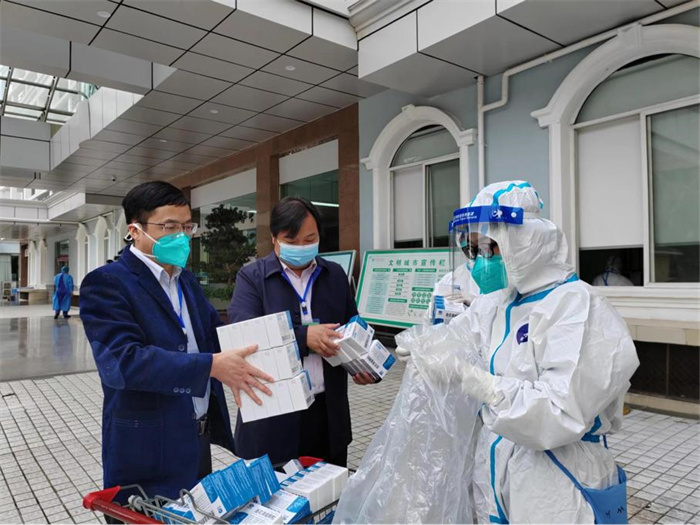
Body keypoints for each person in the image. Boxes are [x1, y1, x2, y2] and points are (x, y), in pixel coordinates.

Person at [414, 181, 639, 523]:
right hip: (497, 464)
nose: (481, 262)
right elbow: (457, 337)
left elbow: (559, 412)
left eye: (489, 248)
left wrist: (474, 381)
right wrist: (421, 346)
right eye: (472, 251)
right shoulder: (498, 303)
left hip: (558, 477)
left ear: (524, 241)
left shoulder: (577, 305)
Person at [80, 181, 273, 506]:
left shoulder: (186, 281)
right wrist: (211, 366)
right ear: (135, 230)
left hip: (197, 439)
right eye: (169, 227)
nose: (181, 237)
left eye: (186, 227)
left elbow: (217, 336)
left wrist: (279, 344)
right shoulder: (107, 283)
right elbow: (123, 363)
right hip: (146, 449)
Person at [228, 196, 374, 467]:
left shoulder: (334, 275)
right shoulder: (252, 278)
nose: (301, 247)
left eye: (309, 239)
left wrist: (364, 364)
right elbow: (243, 336)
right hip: (273, 417)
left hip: (326, 416)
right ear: (274, 238)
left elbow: (351, 327)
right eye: (291, 241)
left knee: (329, 489)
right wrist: (303, 337)